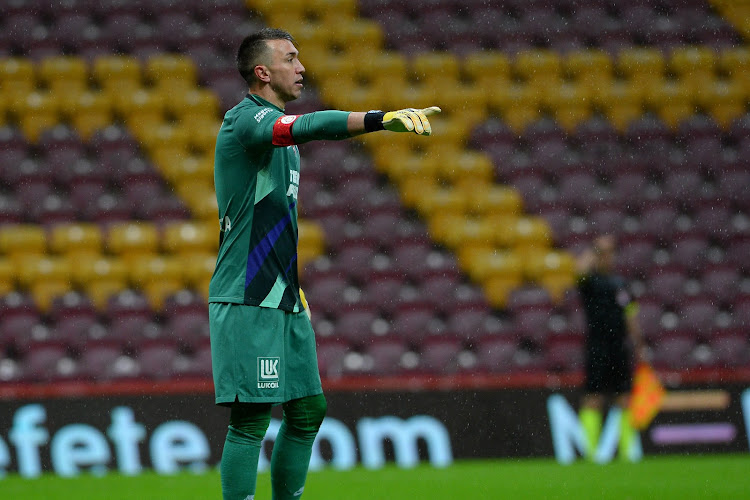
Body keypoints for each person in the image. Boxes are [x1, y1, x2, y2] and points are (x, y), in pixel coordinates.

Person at [208, 27, 440, 500]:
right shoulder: (244, 120)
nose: (301, 67)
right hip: (248, 295)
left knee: (309, 410)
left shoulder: (281, 140)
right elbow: (304, 126)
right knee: (252, 417)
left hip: (285, 296)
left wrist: (293, 288)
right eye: (290, 58)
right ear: (262, 71)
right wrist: (379, 119)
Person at [576, 235, 644, 462]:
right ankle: (591, 453)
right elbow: (578, 270)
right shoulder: (590, 282)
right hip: (597, 345)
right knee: (593, 397)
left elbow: (631, 314)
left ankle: (628, 453)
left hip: (619, 346)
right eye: (602, 253)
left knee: (623, 398)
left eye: (610, 253)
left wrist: (638, 343)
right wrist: (594, 249)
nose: (607, 257)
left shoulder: (621, 284)